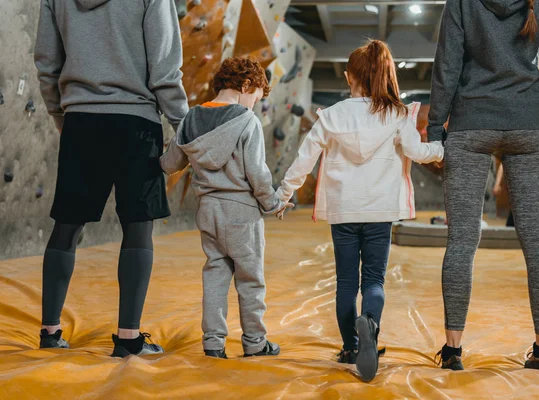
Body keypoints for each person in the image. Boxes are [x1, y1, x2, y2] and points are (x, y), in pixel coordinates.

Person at [277, 40, 444, 382]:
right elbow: (417, 151)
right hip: (380, 212)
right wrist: (441, 148)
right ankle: (370, 323)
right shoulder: (396, 114)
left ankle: (351, 346)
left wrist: (284, 193)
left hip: (343, 212)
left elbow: (304, 159)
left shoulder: (332, 115)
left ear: (349, 77)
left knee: (345, 282)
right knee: (374, 280)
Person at [428, 0, 539, 371]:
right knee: (537, 242)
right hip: (526, 126)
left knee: (461, 241)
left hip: (469, 123)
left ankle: (453, 351)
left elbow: (447, 63)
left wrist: (435, 130)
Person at [34, 0, 188, 356]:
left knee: (67, 224)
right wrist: (185, 127)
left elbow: (46, 64)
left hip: (80, 121)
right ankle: (129, 338)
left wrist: (64, 116)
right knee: (137, 226)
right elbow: (165, 69)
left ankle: (50, 332)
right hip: (136, 123)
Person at [160, 57, 292, 359]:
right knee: (250, 279)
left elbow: (169, 164)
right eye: (256, 98)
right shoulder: (247, 121)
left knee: (215, 275)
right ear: (246, 85)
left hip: (207, 211)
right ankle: (256, 343)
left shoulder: (190, 118)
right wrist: (273, 203)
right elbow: (257, 174)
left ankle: (213, 343)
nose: (254, 105)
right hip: (241, 212)